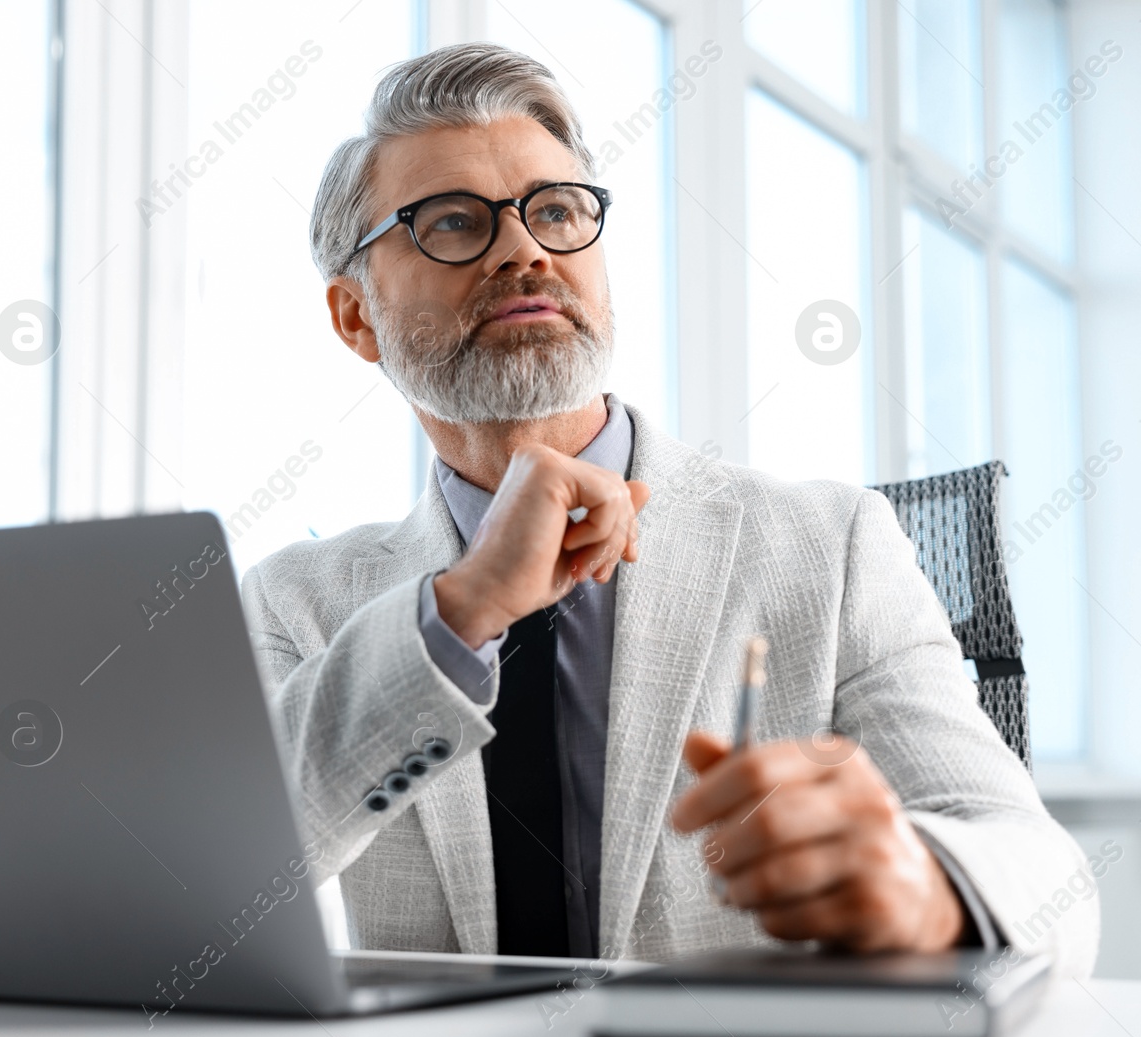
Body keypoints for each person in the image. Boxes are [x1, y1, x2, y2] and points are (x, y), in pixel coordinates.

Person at [242, 42, 1097, 974]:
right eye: (453, 222)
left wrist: (925, 888)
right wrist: (462, 609)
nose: (526, 249)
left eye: (558, 211)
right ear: (355, 317)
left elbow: (1049, 883)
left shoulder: (831, 547)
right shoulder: (300, 601)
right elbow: (214, 875)